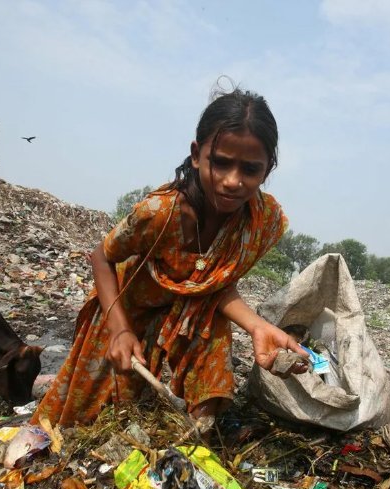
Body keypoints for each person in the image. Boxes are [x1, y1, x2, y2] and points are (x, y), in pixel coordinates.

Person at [33, 87, 309, 427]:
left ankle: (196, 432)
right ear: (197, 155)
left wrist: (257, 326)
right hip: (126, 308)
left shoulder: (262, 221)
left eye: (250, 170)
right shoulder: (160, 213)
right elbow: (101, 258)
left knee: (206, 362)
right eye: (220, 163)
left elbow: (213, 287)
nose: (232, 181)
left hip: (188, 317)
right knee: (86, 418)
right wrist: (119, 330)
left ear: (267, 170)